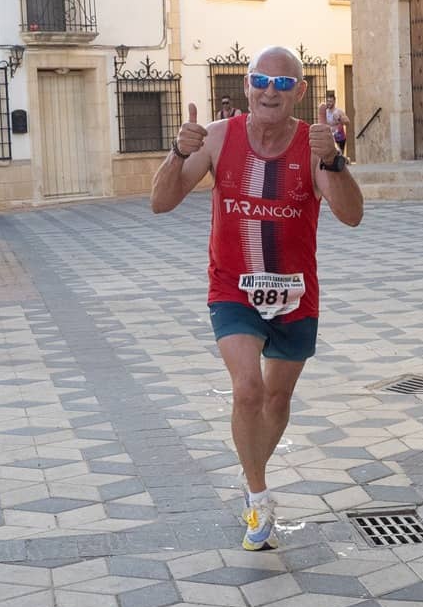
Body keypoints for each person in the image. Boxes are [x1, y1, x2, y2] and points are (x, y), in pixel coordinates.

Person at [151, 46, 363, 551]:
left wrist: (333, 161)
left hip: (295, 293)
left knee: (276, 398)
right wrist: (177, 152)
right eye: (261, 80)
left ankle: (251, 474)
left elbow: (352, 215)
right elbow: (160, 202)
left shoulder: (312, 146)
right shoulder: (219, 137)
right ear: (246, 85)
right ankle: (259, 495)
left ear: (300, 92)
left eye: (283, 83)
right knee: (248, 388)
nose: (271, 90)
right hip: (233, 288)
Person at [324, 92, 351, 158]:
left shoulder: (339, 112)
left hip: (339, 137)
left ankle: (343, 160)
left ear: (334, 102)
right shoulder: (325, 112)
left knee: (339, 156)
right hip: (330, 136)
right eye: (327, 101)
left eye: (330, 101)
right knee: (330, 156)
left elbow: (348, 122)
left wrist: (339, 119)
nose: (329, 103)